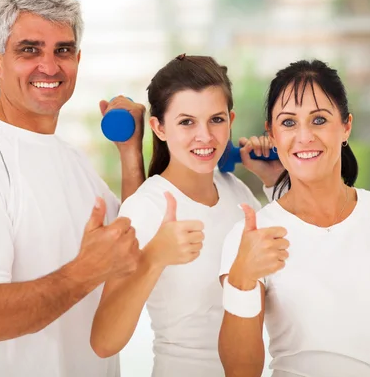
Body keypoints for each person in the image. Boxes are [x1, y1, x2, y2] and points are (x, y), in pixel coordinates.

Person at [0, 0, 146, 377]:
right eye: (29, 50)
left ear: (78, 58)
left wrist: (131, 153)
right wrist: (87, 270)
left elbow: (129, 244)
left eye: (63, 50)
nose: (49, 66)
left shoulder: (73, 161)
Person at [218, 59, 370, 377]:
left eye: (318, 119)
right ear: (272, 135)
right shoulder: (251, 235)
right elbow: (241, 372)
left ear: (346, 126)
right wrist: (242, 277)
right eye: (289, 123)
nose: (304, 136)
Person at [90, 54, 283, 376]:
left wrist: (274, 181)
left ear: (231, 120)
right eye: (186, 122)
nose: (205, 137)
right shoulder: (146, 207)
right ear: (159, 128)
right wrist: (154, 258)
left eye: (216, 120)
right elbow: (103, 342)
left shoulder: (239, 193)